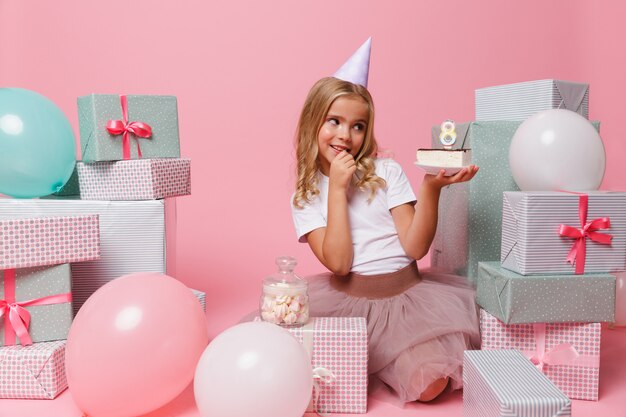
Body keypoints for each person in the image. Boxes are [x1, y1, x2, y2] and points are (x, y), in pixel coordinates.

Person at [290, 39, 481, 404]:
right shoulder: (307, 194)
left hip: (405, 300)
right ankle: (368, 358)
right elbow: (339, 263)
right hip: (347, 300)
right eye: (334, 121)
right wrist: (336, 190)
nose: (346, 135)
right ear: (314, 122)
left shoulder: (387, 171)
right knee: (302, 366)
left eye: (357, 126)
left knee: (429, 386)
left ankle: (382, 359)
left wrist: (431, 188)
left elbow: (414, 246)